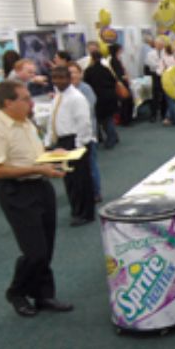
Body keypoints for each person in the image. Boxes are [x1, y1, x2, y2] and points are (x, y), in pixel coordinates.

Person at [0, 80, 73, 317]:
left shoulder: (26, 123)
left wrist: (52, 155)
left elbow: (34, 156)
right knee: (34, 250)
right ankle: (17, 292)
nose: (31, 103)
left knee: (46, 245)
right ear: (8, 103)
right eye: (26, 99)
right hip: (17, 193)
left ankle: (43, 295)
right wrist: (38, 170)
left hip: (41, 187)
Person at [46, 66, 95, 226]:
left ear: (69, 78)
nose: (58, 81)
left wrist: (79, 145)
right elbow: (52, 120)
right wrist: (48, 142)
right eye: (55, 78)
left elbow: (84, 122)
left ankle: (86, 214)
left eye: (61, 77)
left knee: (81, 180)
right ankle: (76, 210)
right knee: (70, 180)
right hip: (62, 142)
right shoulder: (58, 97)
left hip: (75, 141)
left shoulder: (76, 97)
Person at [68, 62, 102, 203]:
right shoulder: (65, 91)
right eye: (69, 72)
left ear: (80, 74)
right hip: (73, 134)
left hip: (87, 134)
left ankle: (96, 192)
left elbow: (88, 111)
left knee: (90, 163)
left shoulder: (85, 89)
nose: (72, 75)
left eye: (75, 72)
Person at [84, 49, 119, 149]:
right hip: (110, 95)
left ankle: (111, 139)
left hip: (99, 97)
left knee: (105, 120)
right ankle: (114, 136)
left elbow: (87, 85)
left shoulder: (89, 71)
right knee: (109, 118)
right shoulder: (106, 69)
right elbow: (114, 81)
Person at [108, 43, 133, 126]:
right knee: (126, 101)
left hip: (122, 82)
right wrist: (124, 77)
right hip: (121, 83)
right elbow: (117, 73)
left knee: (126, 101)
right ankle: (125, 120)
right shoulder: (113, 60)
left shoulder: (117, 59)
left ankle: (126, 119)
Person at [159, 42, 175, 126]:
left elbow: (160, 72)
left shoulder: (163, 59)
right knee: (174, 101)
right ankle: (169, 117)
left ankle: (173, 119)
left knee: (170, 102)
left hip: (167, 82)